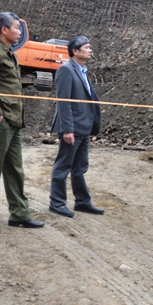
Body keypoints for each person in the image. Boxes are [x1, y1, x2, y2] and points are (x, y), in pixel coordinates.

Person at [0, 12, 44, 233]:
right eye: (16, 27)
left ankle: (19, 214)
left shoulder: (9, 52)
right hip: (0, 121)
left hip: (13, 119)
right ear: (4, 29)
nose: (20, 31)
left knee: (15, 169)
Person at [49, 35, 104, 217]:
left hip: (84, 126)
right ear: (75, 51)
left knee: (80, 166)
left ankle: (82, 202)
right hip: (73, 127)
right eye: (87, 47)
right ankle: (57, 203)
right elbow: (64, 102)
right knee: (63, 166)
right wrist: (68, 129)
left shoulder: (82, 70)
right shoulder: (66, 70)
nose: (90, 50)